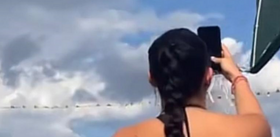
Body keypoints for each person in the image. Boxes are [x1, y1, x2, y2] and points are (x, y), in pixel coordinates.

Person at [114, 28, 271, 137]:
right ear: (208, 76)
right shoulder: (247, 130)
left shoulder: (128, 134)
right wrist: (236, 76)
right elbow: (255, 116)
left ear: (152, 78)